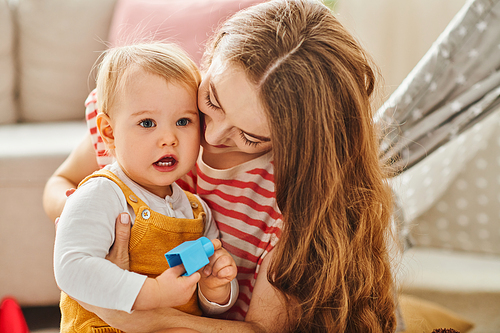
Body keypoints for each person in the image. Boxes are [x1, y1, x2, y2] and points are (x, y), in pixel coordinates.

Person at [44, 0, 398, 331]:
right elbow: (61, 181)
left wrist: (148, 318)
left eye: (250, 137)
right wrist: (91, 209)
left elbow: (258, 328)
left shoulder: (292, 210)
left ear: (296, 141)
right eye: (211, 100)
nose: (211, 135)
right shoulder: (155, 107)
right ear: (211, 58)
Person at [52, 43, 238, 333]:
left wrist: (215, 290)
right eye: (147, 122)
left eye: (183, 121)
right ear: (109, 133)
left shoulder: (197, 210)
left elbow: (205, 305)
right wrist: (153, 293)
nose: (168, 138)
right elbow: (71, 267)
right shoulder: (102, 193)